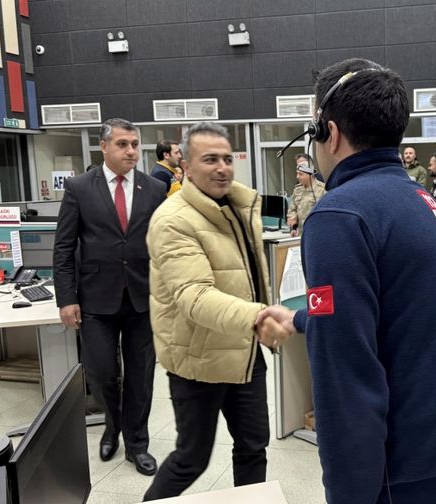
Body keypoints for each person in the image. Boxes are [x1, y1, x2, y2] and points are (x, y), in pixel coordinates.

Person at [258, 58, 436, 504]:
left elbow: (345, 385)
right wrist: (305, 318)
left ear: (330, 133)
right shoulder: (420, 197)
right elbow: (406, 307)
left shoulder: (339, 214)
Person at [142, 122, 291, 500]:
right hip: (198, 358)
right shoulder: (172, 220)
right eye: (210, 159)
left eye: (227, 158)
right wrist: (257, 316)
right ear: (186, 167)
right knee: (191, 458)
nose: (222, 167)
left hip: (243, 354)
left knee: (253, 448)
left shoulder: (240, 206)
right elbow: (193, 296)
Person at [53, 118, 166, 476]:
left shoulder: (154, 188)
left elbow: (165, 246)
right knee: (101, 373)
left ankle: (137, 443)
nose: (131, 151)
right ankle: (112, 427)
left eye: (135, 144)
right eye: (122, 144)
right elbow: (64, 247)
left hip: (142, 299)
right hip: (95, 300)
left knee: (140, 376)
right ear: (104, 147)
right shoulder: (80, 188)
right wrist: (66, 298)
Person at [286, 159, 326, 236]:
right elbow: (292, 209)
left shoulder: (322, 189)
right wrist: (294, 227)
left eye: (300, 174)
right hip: (300, 234)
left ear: (310, 174)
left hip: (316, 233)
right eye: (297, 173)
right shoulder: (297, 189)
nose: (297, 177)